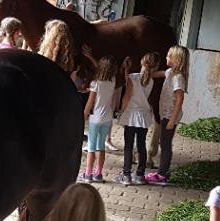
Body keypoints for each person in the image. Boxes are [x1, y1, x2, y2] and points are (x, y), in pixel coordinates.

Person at [146, 45, 189, 185]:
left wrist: (172, 120)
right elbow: (157, 74)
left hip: (170, 116)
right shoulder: (170, 72)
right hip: (165, 114)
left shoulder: (178, 78)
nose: (166, 57)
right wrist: (146, 71)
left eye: (169, 56)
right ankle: (162, 172)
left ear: (177, 60)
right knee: (163, 142)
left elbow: (180, 99)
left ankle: (162, 174)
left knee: (165, 144)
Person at [115, 53, 160, 185]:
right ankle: (140, 175)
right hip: (144, 116)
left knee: (128, 146)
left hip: (131, 115)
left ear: (142, 62)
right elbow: (135, 85)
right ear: (155, 67)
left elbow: (127, 96)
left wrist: (121, 111)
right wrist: (126, 70)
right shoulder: (151, 80)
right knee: (141, 145)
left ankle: (126, 175)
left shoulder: (133, 78)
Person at [80, 56, 117, 183]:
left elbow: (90, 104)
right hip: (107, 118)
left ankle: (88, 174)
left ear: (100, 68)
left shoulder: (95, 84)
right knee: (101, 146)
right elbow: (104, 70)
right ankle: (98, 174)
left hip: (95, 118)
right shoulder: (113, 80)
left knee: (91, 146)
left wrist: (83, 117)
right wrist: (91, 57)